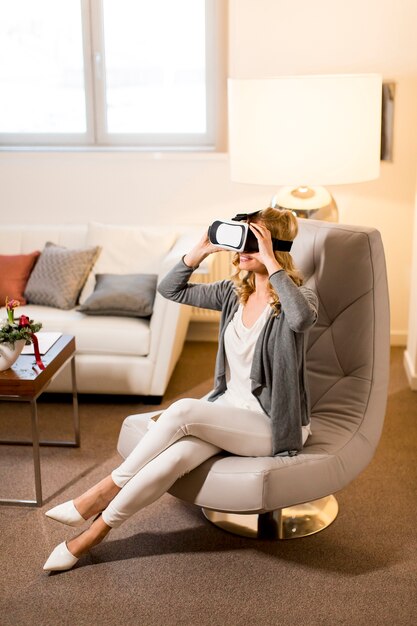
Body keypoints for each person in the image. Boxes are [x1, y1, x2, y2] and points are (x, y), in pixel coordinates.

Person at [43, 207, 318, 572]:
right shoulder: (231, 293)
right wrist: (200, 249)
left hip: (273, 425)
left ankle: (102, 490)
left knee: (185, 410)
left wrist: (270, 261)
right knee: (172, 460)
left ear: (274, 246)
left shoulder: (297, 298)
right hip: (229, 414)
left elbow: (301, 319)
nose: (242, 249)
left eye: (252, 241)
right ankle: (91, 536)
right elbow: (169, 288)